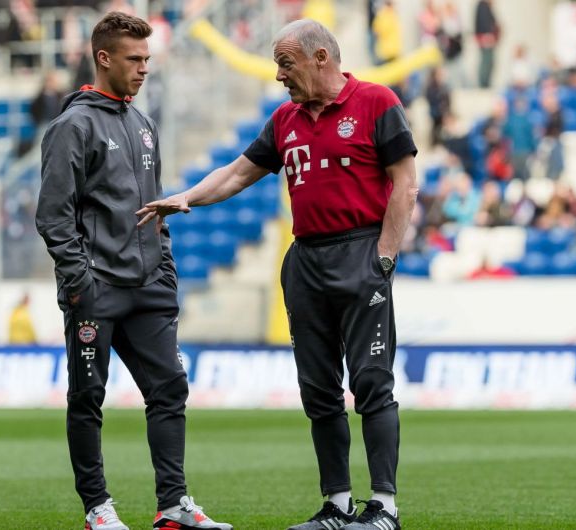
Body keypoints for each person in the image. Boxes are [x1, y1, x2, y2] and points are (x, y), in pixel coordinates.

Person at [137, 19, 417, 530]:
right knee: (319, 390)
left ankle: (384, 508)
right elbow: (239, 172)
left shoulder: (376, 103)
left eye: (286, 64)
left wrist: (384, 257)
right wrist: (186, 197)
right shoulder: (285, 119)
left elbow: (405, 184)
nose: (279, 75)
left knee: (372, 383)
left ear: (320, 58)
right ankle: (336, 505)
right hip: (306, 258)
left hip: (360, 253)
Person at [34, 12, 231, 530]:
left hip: (148, 287)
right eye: (134, 60)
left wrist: (163, 267)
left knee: (170, 390)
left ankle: (173, 506)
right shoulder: (72, 125)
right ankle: (98, 508)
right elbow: (53, 215)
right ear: (104, 59)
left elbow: (155, 207)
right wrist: (82, 283)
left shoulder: (143, 125)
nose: (144, 69)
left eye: (148, 59)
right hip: (97, 289)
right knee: (88, 397)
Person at [474, 0, 500, 88]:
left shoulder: (486, 6)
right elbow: (484, 23)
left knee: (489, 61)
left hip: (487, 37)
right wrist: (488, 35)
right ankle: (483, 84)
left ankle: (486, 83)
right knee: (486, 61)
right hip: (486, 37)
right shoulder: (482, 6)